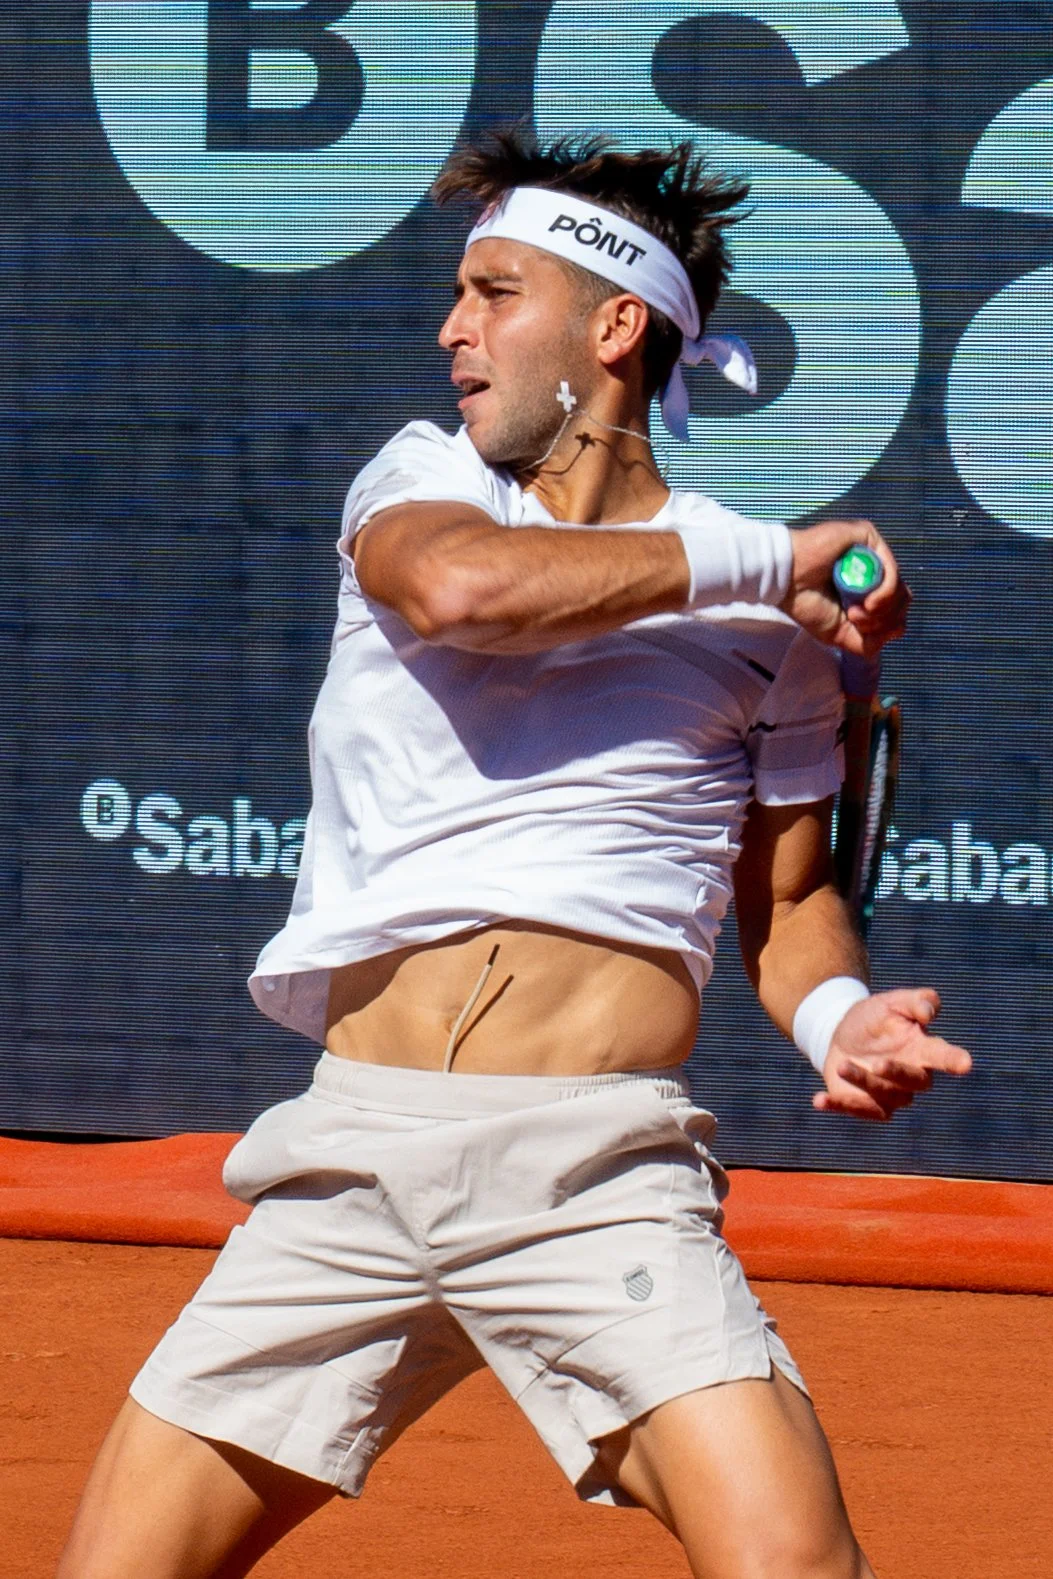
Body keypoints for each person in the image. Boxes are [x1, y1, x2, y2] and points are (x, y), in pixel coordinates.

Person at [58, 130, 971, 1579]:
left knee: (794, 1561)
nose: (451, 329)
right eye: (458, 295)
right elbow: (462, 590)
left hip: (591, 1169)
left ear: (612, 327)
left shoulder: (774, 630)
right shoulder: (425, 482)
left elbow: (792, 901)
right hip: (355, 1153)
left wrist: (836, 1013)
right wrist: (768, 562)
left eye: (493, 291)